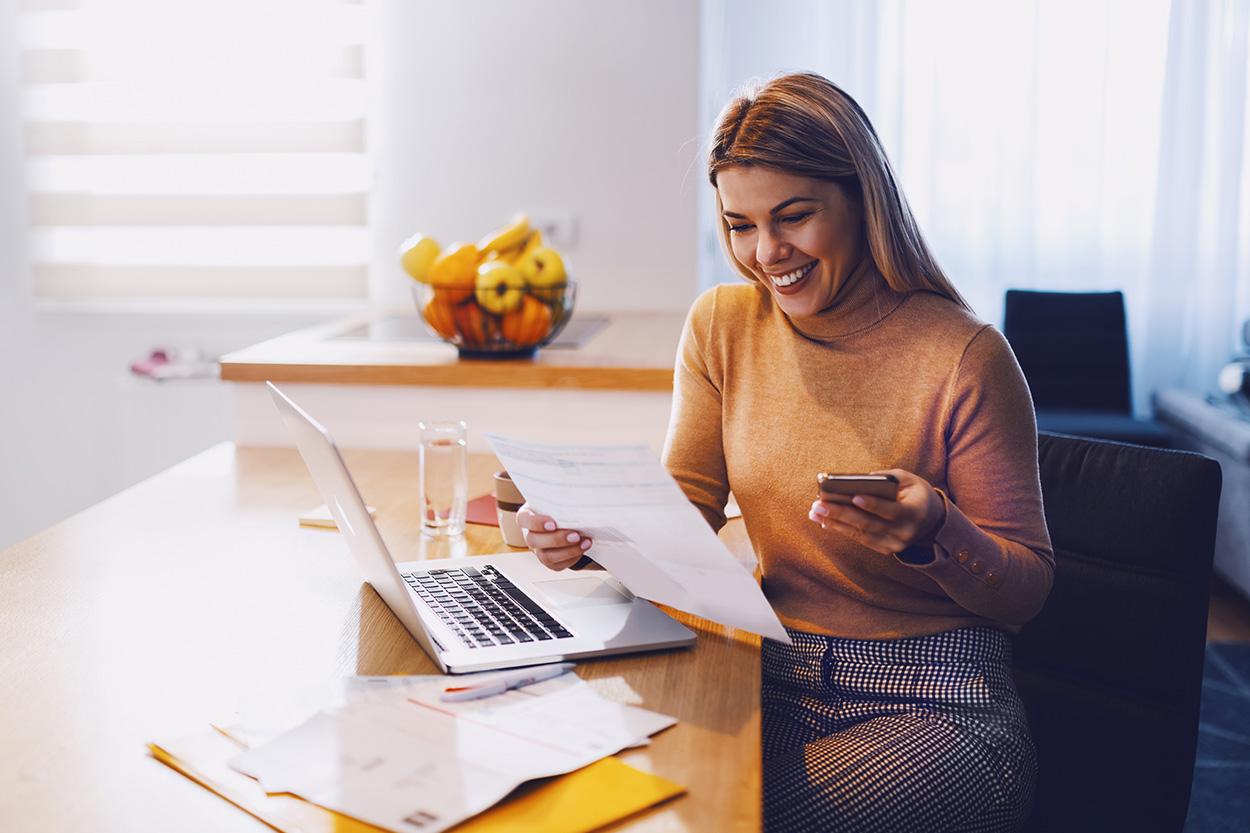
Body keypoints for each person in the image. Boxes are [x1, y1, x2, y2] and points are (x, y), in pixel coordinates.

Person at [517, 71, 1053, 833]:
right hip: (766, 668)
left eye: (793, 216)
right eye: (740, 224)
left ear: (861, 196)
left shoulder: (965, 355)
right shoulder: (723, 327)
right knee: (588, 782)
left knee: (699, 816)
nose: (767, 253)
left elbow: (1028, 588)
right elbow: (682, 515)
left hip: (940, 704)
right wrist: (586, 535)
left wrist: (937, 532)